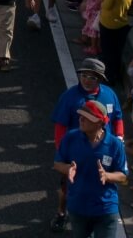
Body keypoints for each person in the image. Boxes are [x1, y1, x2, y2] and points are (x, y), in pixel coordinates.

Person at [48, 58, 125, 232]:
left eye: (92, 77)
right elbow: (60, 126)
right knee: (67, 186)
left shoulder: (110, 95)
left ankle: (99, 216)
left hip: (104, 149)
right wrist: (62, 150)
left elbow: (118, 117)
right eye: (84, 75)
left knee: (103, 183)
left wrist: (119, 137)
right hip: (76, 150)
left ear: (100, 79)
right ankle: (61, 213)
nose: (87, 80)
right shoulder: (69, 97)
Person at [53, 101, 128, 238]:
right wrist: (68, 168)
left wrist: (107, 176)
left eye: (87, 118)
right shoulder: (70, 138)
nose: (81, 119)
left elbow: (123, 176)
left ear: (100, 123)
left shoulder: (115, 145)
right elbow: (57, 163)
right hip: (78, 207)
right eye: (81, 115)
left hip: (105, 209)